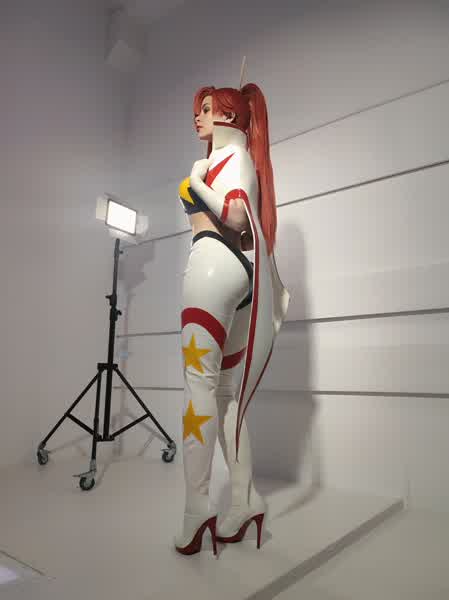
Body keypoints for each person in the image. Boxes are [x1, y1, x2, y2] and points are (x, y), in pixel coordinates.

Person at [174, 84, 290, 556]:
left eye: (206, 109)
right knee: (224, 395)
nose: (197, 117)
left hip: (212, 265)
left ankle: (195, 509)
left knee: (199, 386)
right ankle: (244, 501)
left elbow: (237, 216)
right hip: (237, 275)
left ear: (229, 116)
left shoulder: (231, 159)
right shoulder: (234, 159)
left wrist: (195, 179)